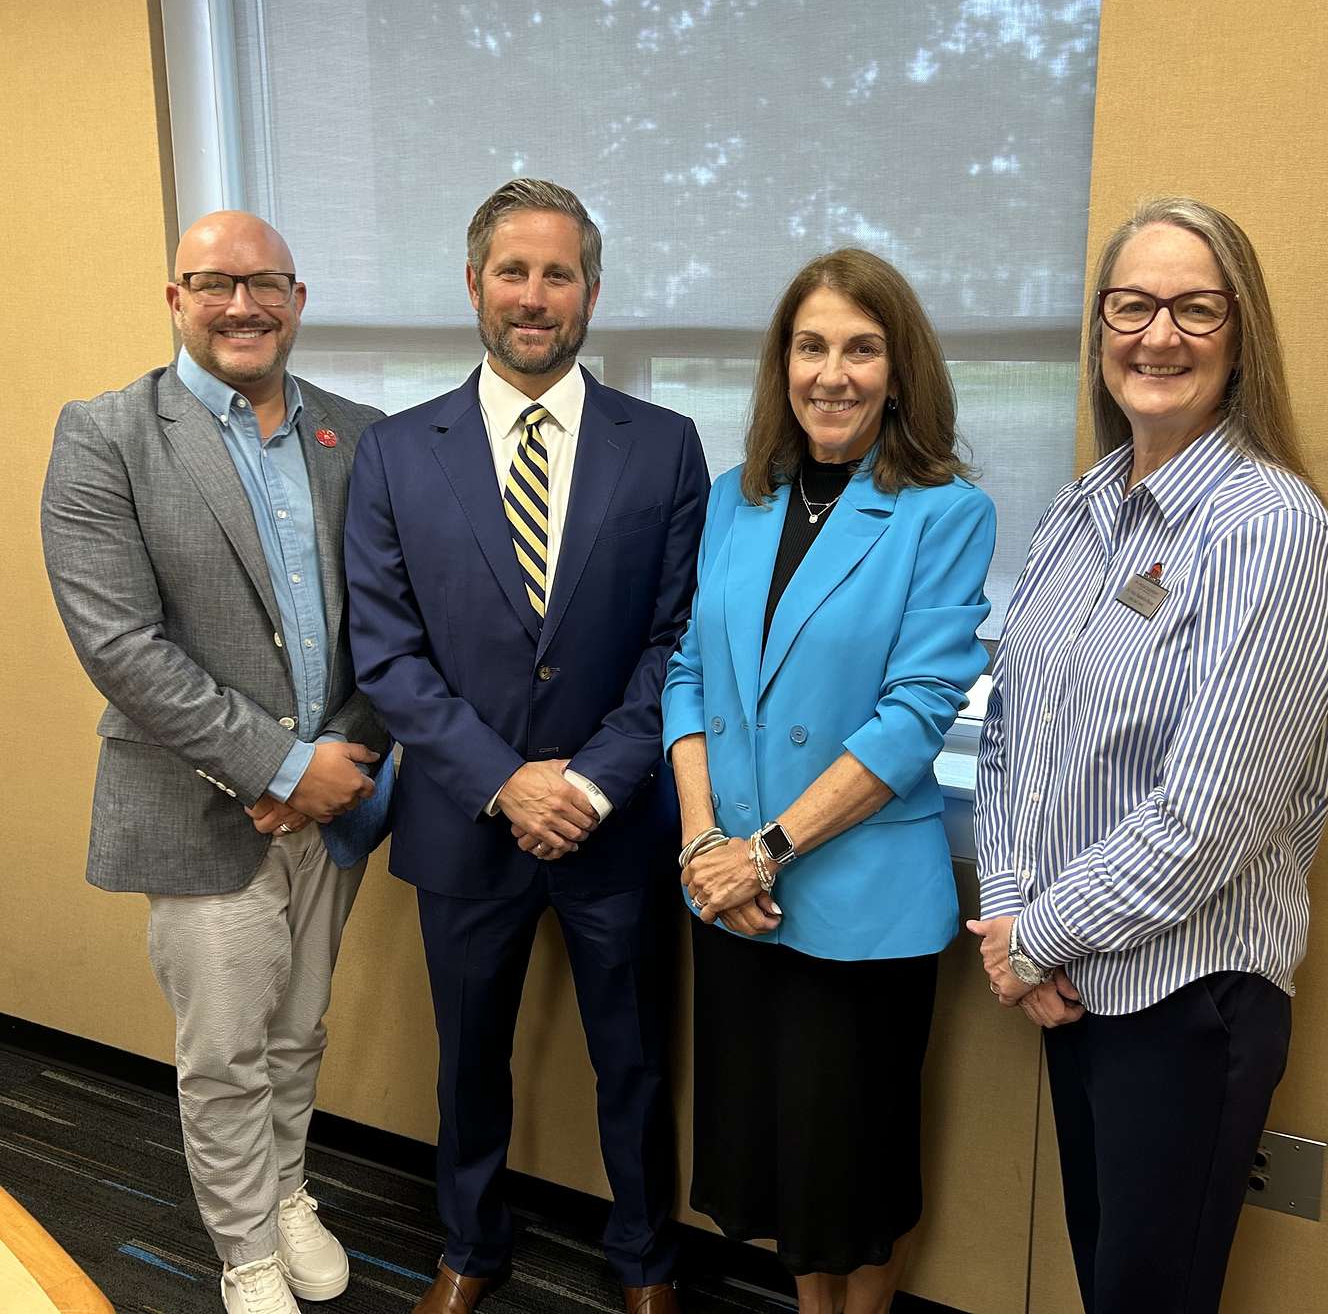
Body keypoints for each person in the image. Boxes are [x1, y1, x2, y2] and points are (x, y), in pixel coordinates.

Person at [969, 197, 1328, 1314]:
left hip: (1183, 1000)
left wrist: (1027, 938)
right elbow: (1010, 733)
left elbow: (1209, 817)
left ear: (1241, 336)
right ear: (1099, 329)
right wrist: (1009, 908)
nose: (1158, 336)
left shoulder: (1267, 530)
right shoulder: (1081, 506)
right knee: (1109, 1280)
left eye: (1194, 308)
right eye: (1131, 305)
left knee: (1149, 1296)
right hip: (1066, 976)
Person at [344, 178, 709, 1314]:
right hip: (465, 818)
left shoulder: (664, 446)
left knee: (637, 1062)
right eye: (513, 271)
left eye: (558, 273)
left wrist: (590, 782)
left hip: (615, 823)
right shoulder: (397, 452)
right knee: (465, 1059)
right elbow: (387, 654)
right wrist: (505, 780)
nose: (534, 295)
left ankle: (647, 1261)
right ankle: (469, 1243)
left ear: (592, 290)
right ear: (473, 285)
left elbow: (676, 639)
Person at [40, 211, 393, 1314]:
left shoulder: (359, 434)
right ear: (175, 296)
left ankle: (288, 1189)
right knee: (225, 1050)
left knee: (299, 1029)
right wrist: (281, 766)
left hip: (334, 797)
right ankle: (242, 1245)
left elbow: (395, 619)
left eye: (266, 284)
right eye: (214, 282)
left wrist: (343, 753)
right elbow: (120, 645)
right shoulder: (105, 433)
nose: (242, 305)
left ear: (297, 297)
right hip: (204, 809)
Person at [661, 248, 995, 1314]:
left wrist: (762, 850)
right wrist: (702, 841)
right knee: (784, 1175)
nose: (832, 372)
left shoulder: (943, 512)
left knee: (854, 1175)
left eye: (860, 347)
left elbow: (913, 715)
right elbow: (686, 671)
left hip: (856, 908)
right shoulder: (733, 499)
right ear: (782, 362)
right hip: (734, 901)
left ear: (897, 371)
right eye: (811, 346)